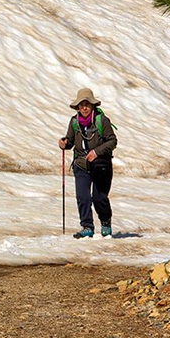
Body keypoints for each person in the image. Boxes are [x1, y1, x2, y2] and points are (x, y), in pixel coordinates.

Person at [58, 87, 117, 239]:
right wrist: (64, 143)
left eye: (87, 104)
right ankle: (87, 226)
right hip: (81, 165)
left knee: (99, 198)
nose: (84, 107)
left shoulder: (101, 120)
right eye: (82, 104)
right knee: (83, 197)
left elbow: (112, 141)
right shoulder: (74, 122)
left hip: (101, 165)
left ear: (92, 106)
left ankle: (105, 222)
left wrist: (96, 152)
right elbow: (70, 142)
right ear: (77, 107)